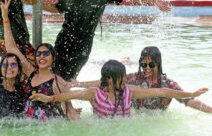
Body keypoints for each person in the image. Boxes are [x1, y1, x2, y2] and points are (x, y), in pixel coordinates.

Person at [28, 0, 171, 80]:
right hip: (63, 40)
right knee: (55, 75)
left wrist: (153, 1)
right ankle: (59, 107)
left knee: (69, 78)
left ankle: (65, 107)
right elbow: (56, 8)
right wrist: (38, 4)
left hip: (82, 45)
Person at [30, 60, 208, 118]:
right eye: (120, 78)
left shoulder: (129, 91)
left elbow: (163, 91)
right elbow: (69, 95)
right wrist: (49, 99)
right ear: (108, 79)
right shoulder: (95, 94)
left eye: (124, 76)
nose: (124, 80)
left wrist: (191, 94)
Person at [0, 0, 79, 120]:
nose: (41, 56)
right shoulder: (31, 73)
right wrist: (5, 19)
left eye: (46, 53)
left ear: (53, 57)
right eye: (38, 54)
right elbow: (11, 48)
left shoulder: (57, 82)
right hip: (28, 126)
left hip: (46, 128)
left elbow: (70, 111)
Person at [126, 46, 212, 113]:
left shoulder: (168, 84)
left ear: (158, 64)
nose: (147, 68)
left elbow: (189, 101)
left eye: (151, 64)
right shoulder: (132, 79)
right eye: (144, 64)